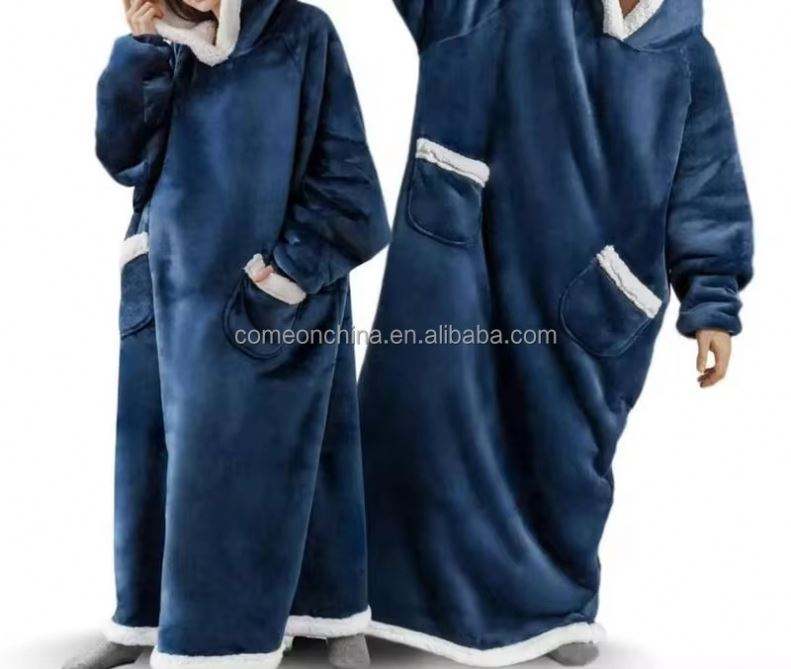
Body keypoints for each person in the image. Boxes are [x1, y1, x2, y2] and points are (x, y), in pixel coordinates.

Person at [359, 0, 753, 666]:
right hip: (471, 266)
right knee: (426, 431)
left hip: (592, 302)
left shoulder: (686, 59)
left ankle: (550, 608)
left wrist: (712, 302)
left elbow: (708, 187)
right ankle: (385, 597)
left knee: (564, 462)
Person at [65, 1, 389, 668]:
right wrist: (140, 47)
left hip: (269, 302)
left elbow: (351, 187)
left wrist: (287, 276)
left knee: (295, 457)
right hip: (165, 296)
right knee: (154, 462)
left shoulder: (302, 34)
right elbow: (122, 158)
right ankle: (146, 618)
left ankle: (313, 617)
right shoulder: (165, 44)